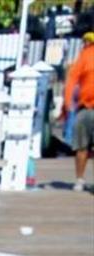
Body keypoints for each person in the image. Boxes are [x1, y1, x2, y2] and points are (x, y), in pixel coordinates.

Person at [63, 31, 94, 191]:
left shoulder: (84, 56)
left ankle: (80, 180)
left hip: (84, 109)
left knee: (81, 147)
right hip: (85, 107)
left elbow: (71, 79)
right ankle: (80, 180)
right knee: (82, 147)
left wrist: (67, 105)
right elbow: (72, 78)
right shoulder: (83, 57)